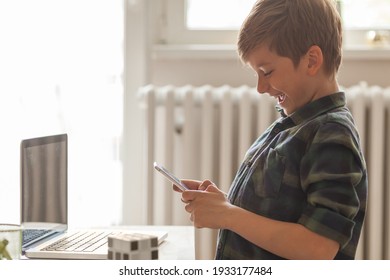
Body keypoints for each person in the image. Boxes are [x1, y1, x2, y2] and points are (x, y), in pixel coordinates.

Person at [178, 0, 368, 260]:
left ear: (312, 60)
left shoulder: (332, 134)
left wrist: (228, 215)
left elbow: (318, 248)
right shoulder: (293, 126)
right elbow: (277, 213)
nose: (260, 87)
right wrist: (225, 203)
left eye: (267, 72)